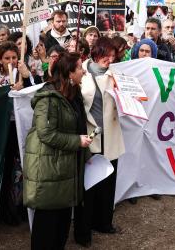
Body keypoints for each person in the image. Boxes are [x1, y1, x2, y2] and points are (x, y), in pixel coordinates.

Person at [23, 52, 91, 249]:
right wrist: (76, 141)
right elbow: (46, 133)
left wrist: (84, 152)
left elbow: (78, 126)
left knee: (61, 221)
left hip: (65, 165)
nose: (84, 70)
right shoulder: (49, 98)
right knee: (48, 222)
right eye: (80, 67)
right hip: (48, 166)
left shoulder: (73, 93)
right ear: (69, 72)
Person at [75, 37, 125, 245]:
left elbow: (127, 99)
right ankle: (83, 232)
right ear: (96, 52)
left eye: (114, 56)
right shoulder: (81, 71)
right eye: (107, 55)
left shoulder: (117, 74)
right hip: (89, 137)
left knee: (107, 183)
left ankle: (104, 222)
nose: (110, 59)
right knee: (88, 187)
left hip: (110, 136)